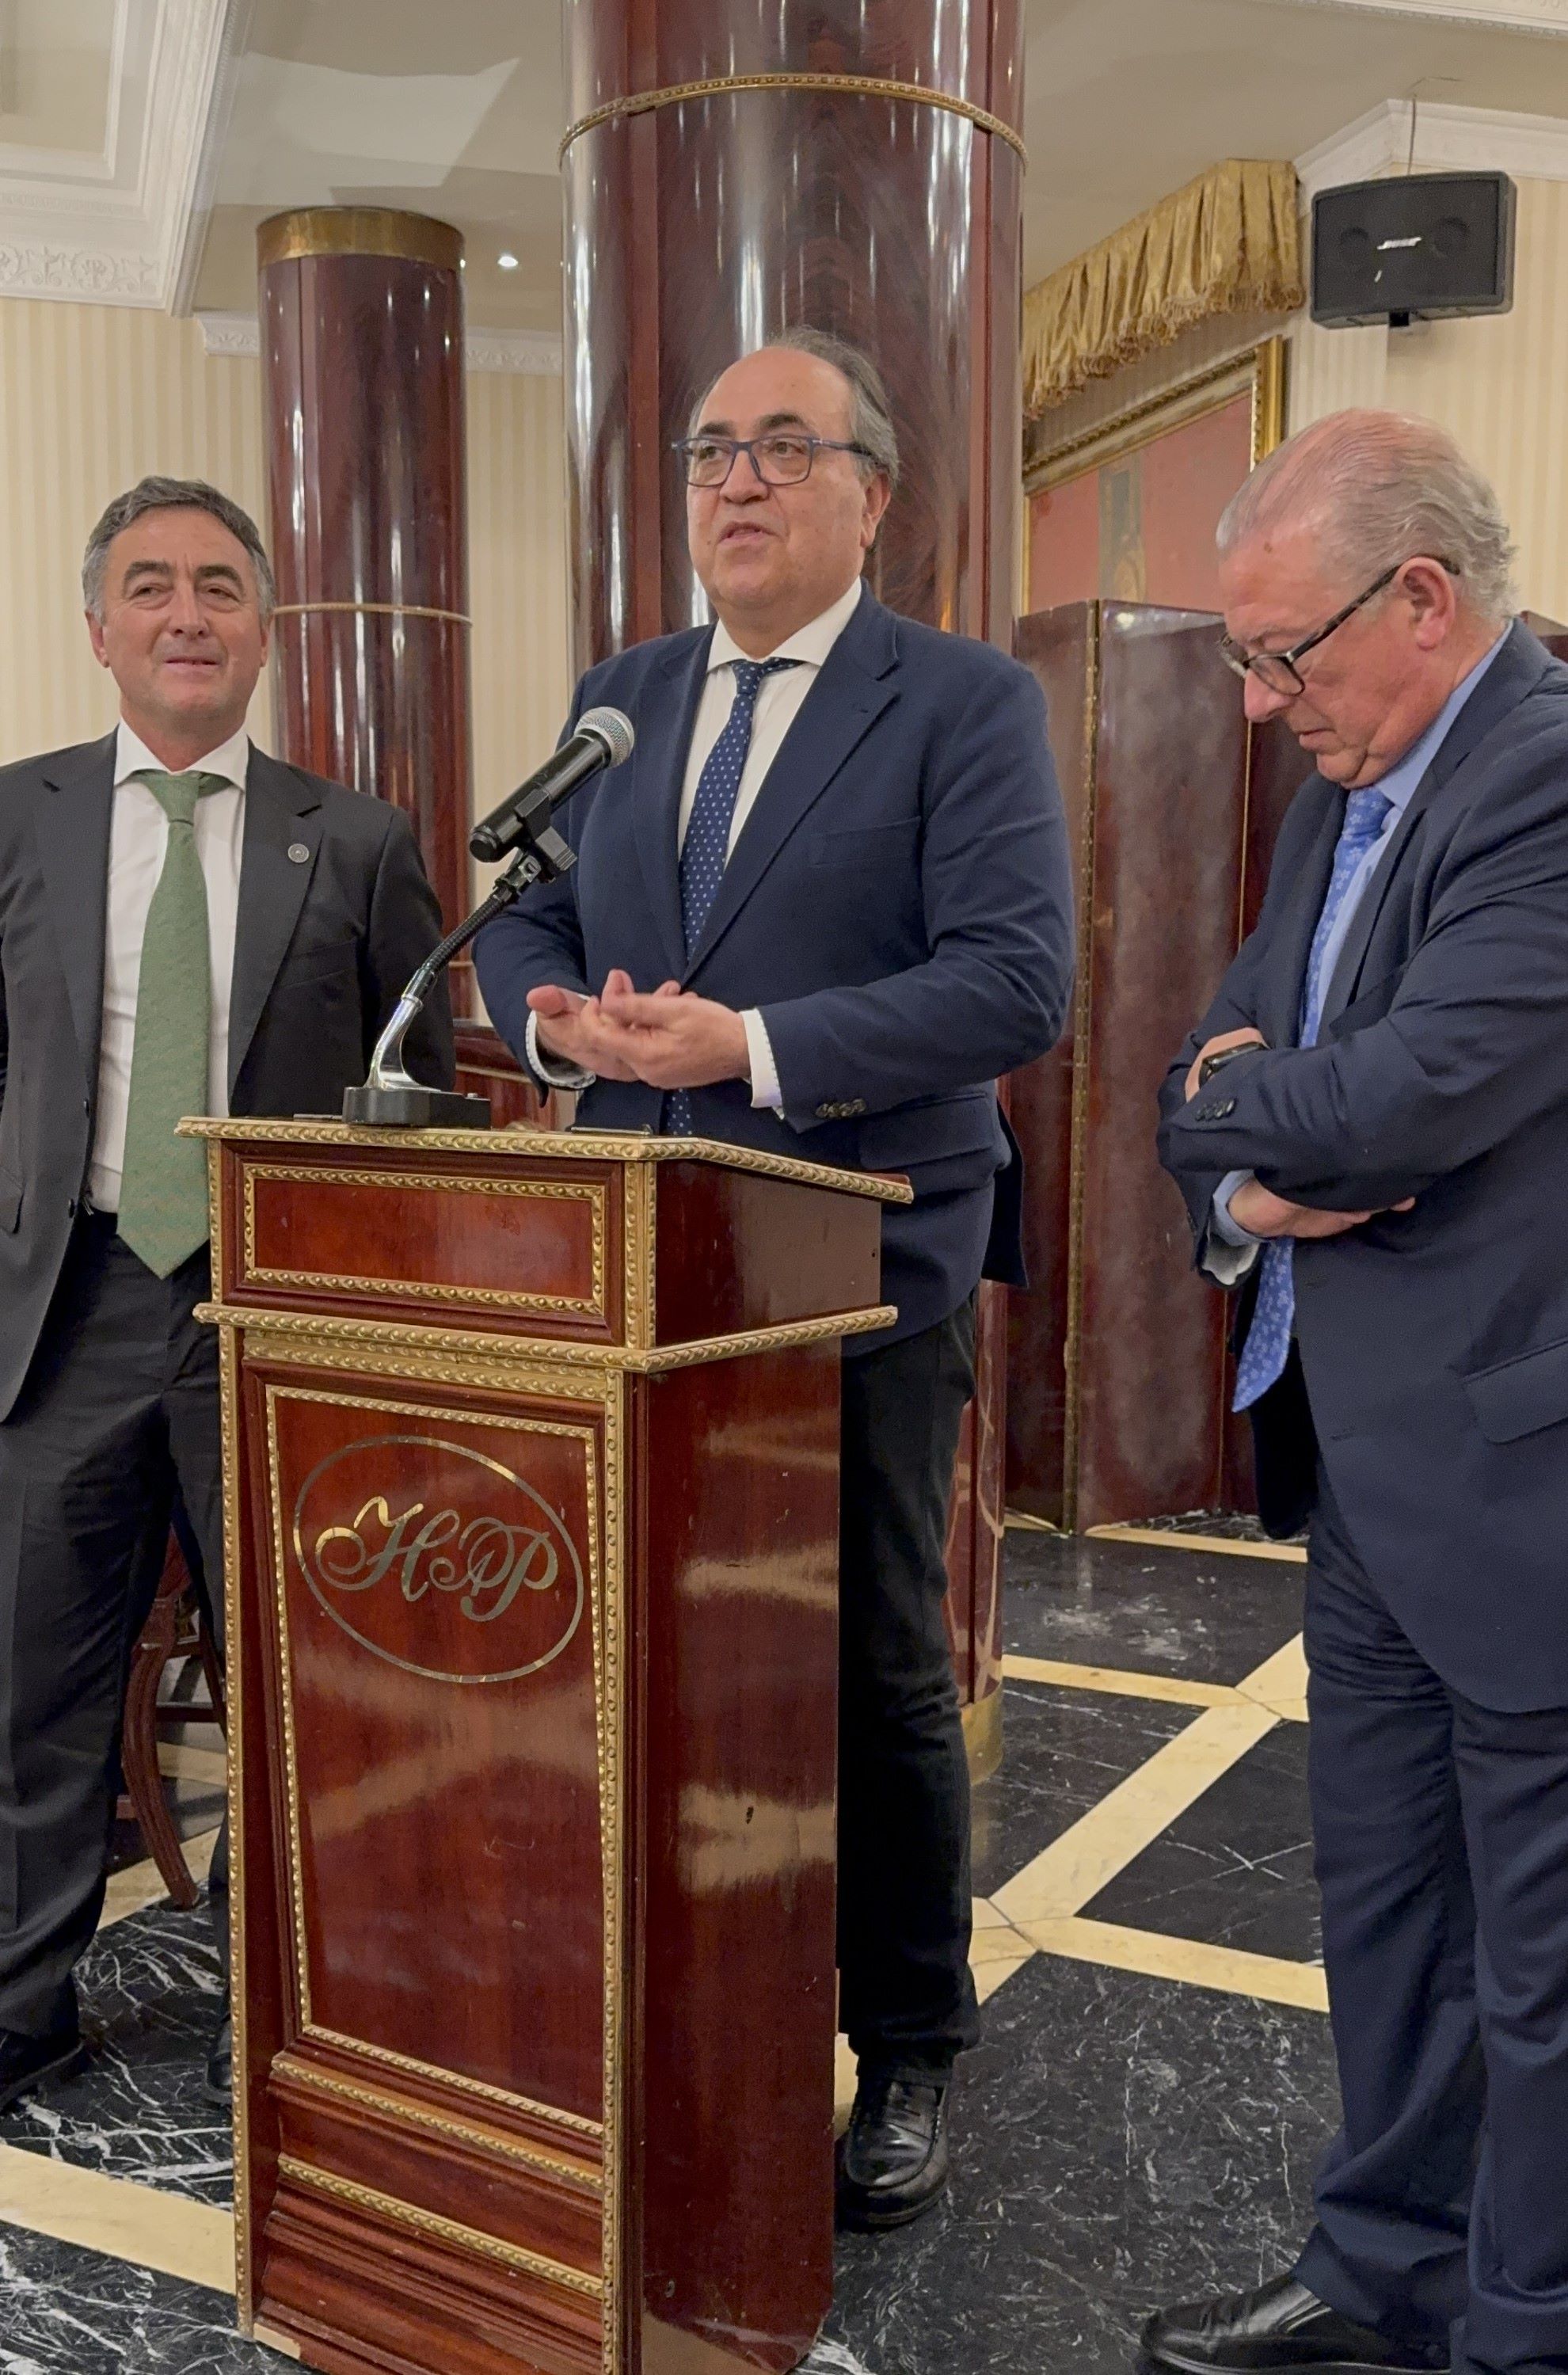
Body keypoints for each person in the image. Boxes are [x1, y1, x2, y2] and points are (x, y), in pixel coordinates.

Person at [476, 329, 1073, 2228]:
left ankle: (908, 2042)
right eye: (711, 450)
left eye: (784, 448)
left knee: (865, 1654)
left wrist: (746, 1045)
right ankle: (687, 1990)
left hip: (862, 1254)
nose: (736, 480)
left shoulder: (961, 701)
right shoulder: (624, 699)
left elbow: (1015, 983)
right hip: (638, 1255)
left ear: (871, 495)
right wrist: (554, 1023)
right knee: (657, 1645)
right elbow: (526, 912)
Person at [1151, 411, 1568, 2375]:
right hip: (1365, 1469)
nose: (1259, 702)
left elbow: (1409, 1095)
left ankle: (1525, 2326)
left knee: (1540, 1963)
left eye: (1281, 653)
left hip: (1519, 1480)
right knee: (1391, 1912)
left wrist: (1259, 1108)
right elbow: (1210, 1067)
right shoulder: (1351, 784)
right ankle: (1387, 2268)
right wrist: (1243, 1166)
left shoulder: (1545, 779)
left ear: (1421, 597)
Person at [0, 474, 452, 2112]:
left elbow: (420, 1091)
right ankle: (20, 2004)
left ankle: (290, 2010)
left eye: (218, 587)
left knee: (310, 1685)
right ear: (99, 628)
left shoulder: (360, 838)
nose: (185, 614)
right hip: (63, 1317)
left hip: (282, 1320)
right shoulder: (19, 817)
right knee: (32, 1685)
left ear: (265, 630)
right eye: (151, 586)